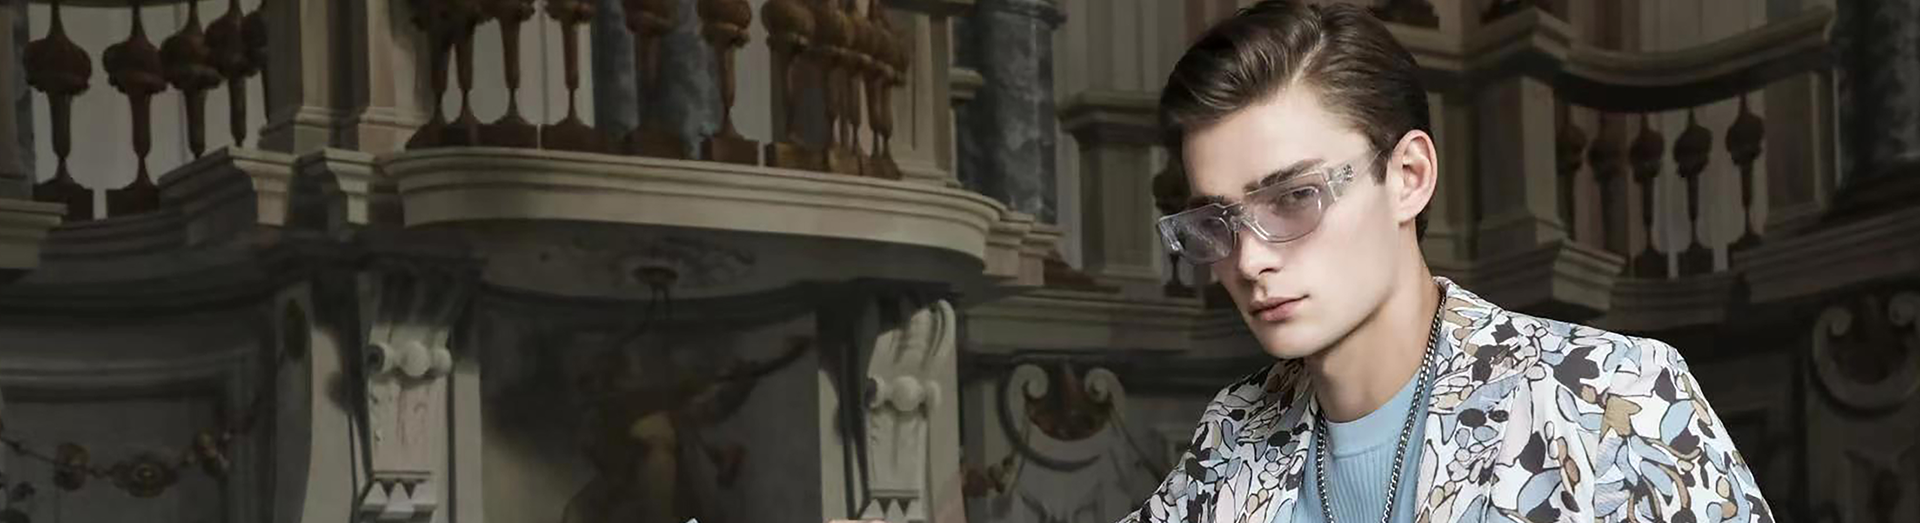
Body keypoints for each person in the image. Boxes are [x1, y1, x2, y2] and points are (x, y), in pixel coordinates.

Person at [1122, 2, 1773, 522]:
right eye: (1216, 221)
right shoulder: (1232, 433)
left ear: (1408, 176)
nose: (1249, 259)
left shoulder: (1615, 393)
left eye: (1294, 197)